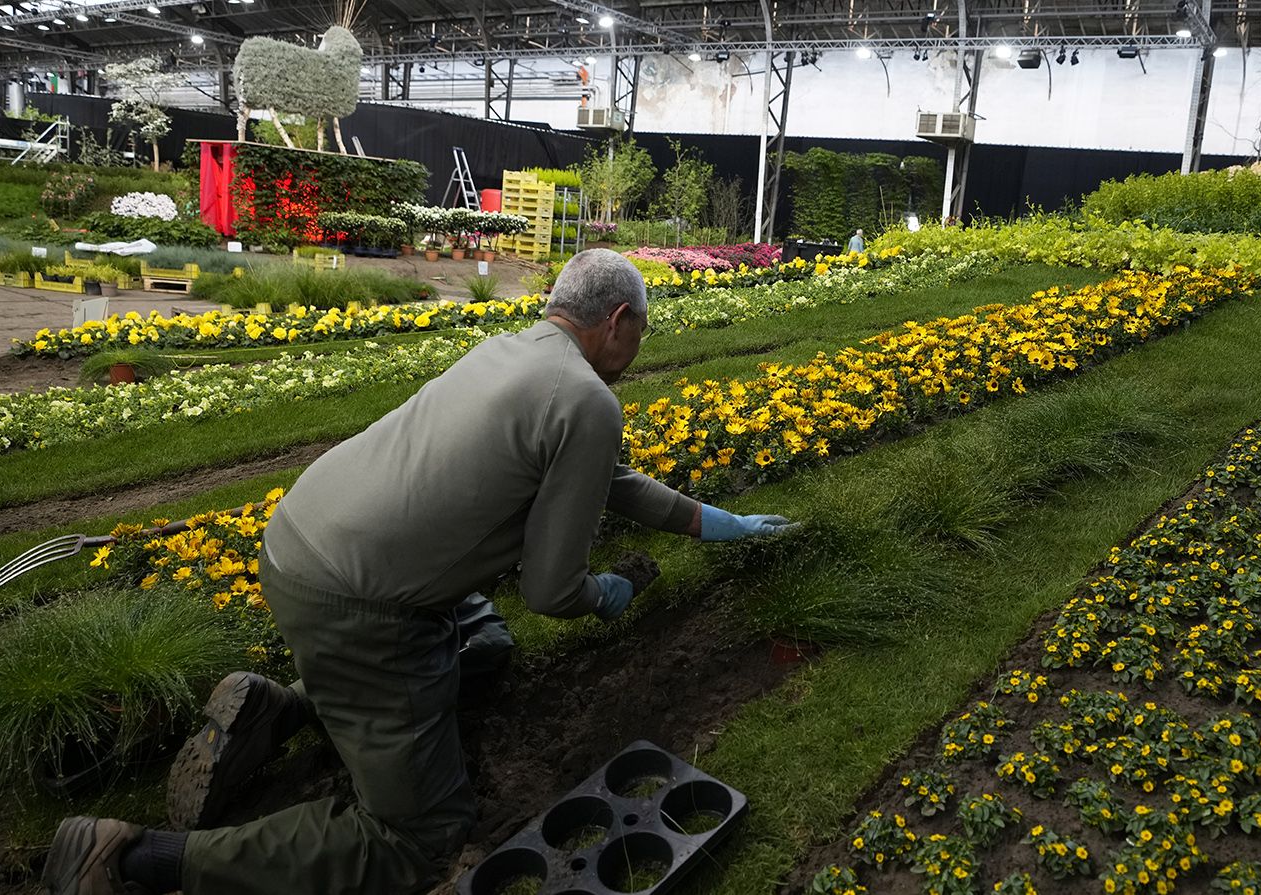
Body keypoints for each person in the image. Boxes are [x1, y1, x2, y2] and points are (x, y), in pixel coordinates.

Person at [43, 250, 799, 895]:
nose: (641, 342)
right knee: (419, 831)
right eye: (643, 328)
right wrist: (614, 591)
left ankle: (289, 706)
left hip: (299, 539)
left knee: (487, 644)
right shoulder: (586, 399)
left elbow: (616, 480)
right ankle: (135, 856)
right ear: (620, 321)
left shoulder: (514, 350)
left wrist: (711, 522)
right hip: (359, 605)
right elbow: (552, 589)